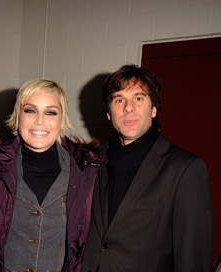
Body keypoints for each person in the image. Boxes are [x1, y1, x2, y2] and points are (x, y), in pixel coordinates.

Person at [82, 64, 213, 271]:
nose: (128, 107)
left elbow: (192, 259)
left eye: (138, 98)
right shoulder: (92, 159)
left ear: (153, 109)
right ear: (109, 113)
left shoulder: (184, 169)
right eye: (119, 100)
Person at [0, 79, 106, 272]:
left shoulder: (89, 171)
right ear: (18, 115)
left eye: (50, 112)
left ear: (61, 118)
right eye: (30, 110)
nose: (39, 120)